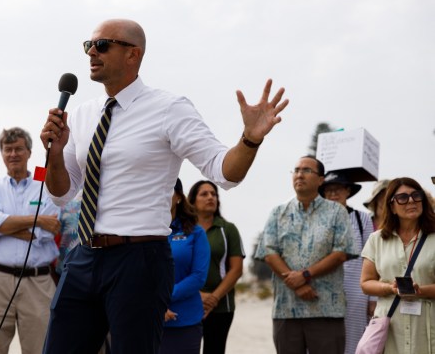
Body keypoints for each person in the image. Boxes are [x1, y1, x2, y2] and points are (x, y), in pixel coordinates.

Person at [39, 18, 288, 354]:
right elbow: (61, 192)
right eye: (89, 45)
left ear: (133, 54)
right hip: (83, 256)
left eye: (102, 45)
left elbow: (223, 172)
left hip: (139, 259)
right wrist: (55, 153)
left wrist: (249, 139)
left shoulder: (168, 108)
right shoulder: (82, 114)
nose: (91, 53)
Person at [254, 155, 358, 354]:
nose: (299, 174)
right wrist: (296, 283)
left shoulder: (337, 212)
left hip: (326, 308)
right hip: (286, 309)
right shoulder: (278, 213)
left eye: (306, 170)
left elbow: (341, 253)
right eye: (296, 170)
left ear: (321, 180)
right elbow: (268, 251)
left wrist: (305, 275)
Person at [0, 127, 61, 354]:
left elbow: (46, 233)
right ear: (2, 154)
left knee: (40, 348)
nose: (13, 154)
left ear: (29, 153)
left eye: (18, 149)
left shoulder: (46, 187)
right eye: (8, 149)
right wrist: (37, 220)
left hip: (38, 281)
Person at [360, 177, 435, 353]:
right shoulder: (376, 239)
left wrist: (420, 290)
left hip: (427, 323)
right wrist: (390, 288)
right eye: (402, 198)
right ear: (392, 206)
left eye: (416, 196)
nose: (411, 201)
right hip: (390, 323)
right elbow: (366, 283)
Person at [319, 171, 374, 354]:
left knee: (355, 343)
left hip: (356, 294)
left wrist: (372, 298)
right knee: (323, 341)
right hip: (322, 291)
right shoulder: (317, 219)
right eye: (329, 189)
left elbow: (371, 259)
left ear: (347, 191)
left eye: (338, 189)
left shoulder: (362, 219)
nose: (333, 193)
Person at [187, 180, 244, 354]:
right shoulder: (183, 230)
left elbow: (236, 270)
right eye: (204, 194)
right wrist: (198, 296)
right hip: (188, 302)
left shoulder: (228, 229)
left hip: (221, 306)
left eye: (214, 194)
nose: (210, 197)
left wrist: (213, 298)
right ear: (193, 201)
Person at [159, 179, 210, 354]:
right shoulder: (141, 232)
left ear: (179, 197)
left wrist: (162, 299)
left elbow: (198, 276)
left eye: (167, 189)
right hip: (147, 318)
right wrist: (155, 305)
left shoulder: (196, 233)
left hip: (185, 321)